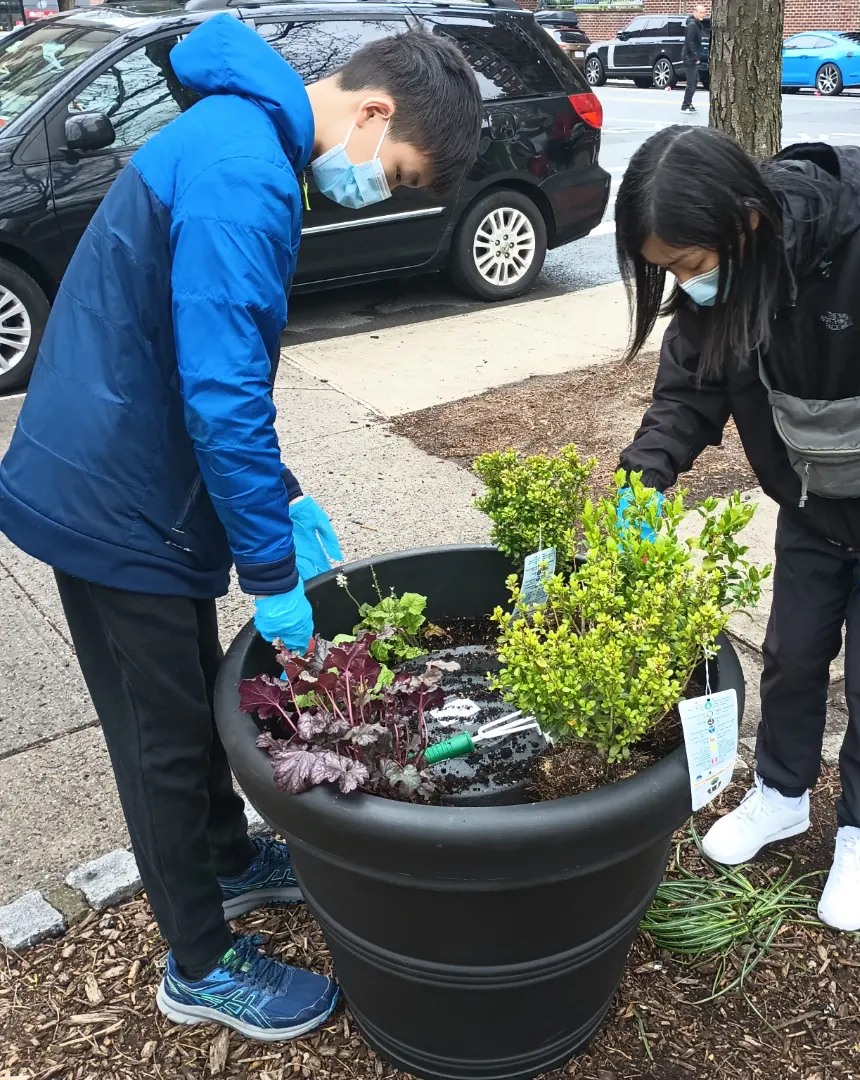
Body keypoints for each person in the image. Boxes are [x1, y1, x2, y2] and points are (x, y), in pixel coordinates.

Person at [0, 15, 482, 1040]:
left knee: (185, 701)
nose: (378, 189)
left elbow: (204, 367)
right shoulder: (244, 174)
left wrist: (288, 493)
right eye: (394, 174)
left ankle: (226, 855)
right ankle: (200, 963)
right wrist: (270, 567)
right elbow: (219, 395)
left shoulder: (239, 137)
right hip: (114, 498)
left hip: (135, 472)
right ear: (373, 112)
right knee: (162, 738)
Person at [614, 127, 860, 933]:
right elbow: (690, 390)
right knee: (791, 657)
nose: (685, 287)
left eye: (690, 265)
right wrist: (646, 475)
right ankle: (782, 796)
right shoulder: (723, 289)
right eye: (667, 272)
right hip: (812, 505)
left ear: (746, 221)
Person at [681, 4, 707, 114]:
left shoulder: (697, 24)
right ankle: (685, 105)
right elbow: (689, 42)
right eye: (700, 12)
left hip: (691, 57)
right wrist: (695, 57)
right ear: (695, 12)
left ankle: (688, 103)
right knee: (691, 83)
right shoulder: (692, 25)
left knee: (695, 79)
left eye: (704, 13)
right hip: (689, 58)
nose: (702, 15)